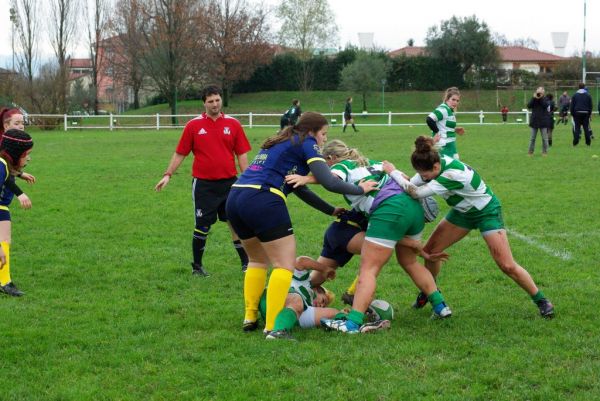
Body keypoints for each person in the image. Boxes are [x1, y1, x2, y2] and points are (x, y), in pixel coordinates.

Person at [225, 112, 378, 336]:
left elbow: (298, 187)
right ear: (312, 131)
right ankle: (272, 326)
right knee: (284, 265)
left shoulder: (281, 140)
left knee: (257, 261)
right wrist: (360, 189)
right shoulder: (306, 142)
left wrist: (330, 210)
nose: (324, 139)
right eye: (324, 134)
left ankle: (250, 316)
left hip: (236, 198)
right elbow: (328, 181)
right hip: (263, 198)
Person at [287, 140, 452, 334]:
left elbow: (330, 179)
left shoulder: (341, 165)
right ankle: (441, 307)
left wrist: (306, 179)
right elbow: (403, 177)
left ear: (330, 159)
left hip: (388, 208)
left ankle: (351, 324)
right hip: (414, 207)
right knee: (410, 262)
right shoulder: (368, 163)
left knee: (369, 269)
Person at [394, 136, 555, 319]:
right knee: (430, 252)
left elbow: (416, 193)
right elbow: (411, 184)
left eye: (425, 175)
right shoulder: (432, 164)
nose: (423, 178)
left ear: (436, 167)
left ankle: (541, 300)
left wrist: (393, 172)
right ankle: (430, 291)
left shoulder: (451, 174)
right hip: (462, 212)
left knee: (506, 265)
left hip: (486, 211)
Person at [155, 85, 251, 276]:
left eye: (217, 100)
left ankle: (246, 264)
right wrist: (168, 174)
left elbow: (241, 154)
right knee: (202, 226)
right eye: (210, 101)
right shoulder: (193, 126)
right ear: (204, 103)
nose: (215, 104)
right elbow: (180, 153)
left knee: (235, 223)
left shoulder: (233, 124)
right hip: (204, 185)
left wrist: (247, 179)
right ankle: (197, 267)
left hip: (230, 183)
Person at [0, 129, 34, 297]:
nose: (29, 158)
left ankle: (5, 282)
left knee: (5, 238)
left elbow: (7, 178)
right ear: (14, 154)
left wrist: (20, 193)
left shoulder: (3, 165)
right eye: (26, 154)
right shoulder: (0, 166)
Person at [0, 108, 36, 209]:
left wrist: (20, 174)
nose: (21, 126)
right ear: (6, 126)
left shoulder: (14, 144)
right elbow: (2, 175)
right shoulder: (4, 145)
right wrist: (19, 193)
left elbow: (7, 169)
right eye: (16, 123)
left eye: (22, 123)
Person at [426, 87, 465, 159]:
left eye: (457, 100)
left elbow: (443, 126)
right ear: (447, 99)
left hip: (450, 145)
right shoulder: (443, 109)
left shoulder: (449, 110)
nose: (455, 102)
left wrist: (455, 129)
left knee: (456, 167)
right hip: (443, 146)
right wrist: (437, 132)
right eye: (453, 99)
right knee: (450, 168)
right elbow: (429, 119)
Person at [527, 87, 551, 156]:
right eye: (538, 91)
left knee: (544, 138)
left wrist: (540, 98)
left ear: (543, 93)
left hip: (543, 121)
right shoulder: (534, 99)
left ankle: (545, 152)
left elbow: (545, 105)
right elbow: (529, 105)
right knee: (532, 138)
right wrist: (533, 98)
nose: (539, 93)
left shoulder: (546, 99)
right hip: (534, 121)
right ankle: (530, 152)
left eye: (541, 91)